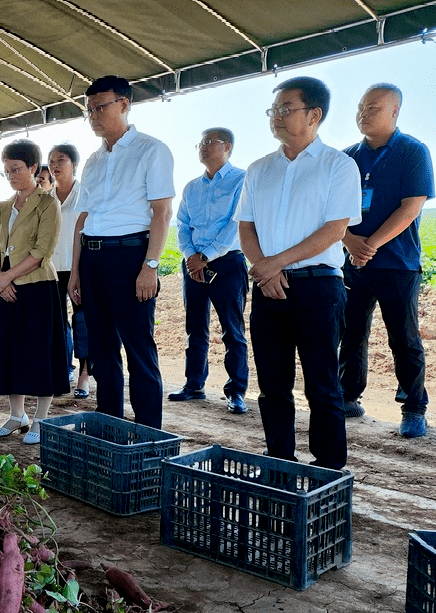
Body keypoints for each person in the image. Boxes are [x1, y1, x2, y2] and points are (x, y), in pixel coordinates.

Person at [236, 76, 361, 471]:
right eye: (273, 109)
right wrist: (266, 270)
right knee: (273, 386)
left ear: (314, 114)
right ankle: (278, 462)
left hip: (317, 289)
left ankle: (327, 470)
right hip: (268, 289)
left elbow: (334, 230)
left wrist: (276, 263)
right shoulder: (259, 169)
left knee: (322, 385)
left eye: (284, 108)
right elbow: (246, 227)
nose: (275, 116)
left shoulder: (338, 166)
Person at [67, 75, 174, 429]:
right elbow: (82, 220)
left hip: (131, 258)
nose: (94, 115)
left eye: (101, 107)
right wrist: (76, 271)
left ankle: (147, 434)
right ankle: (109, 423)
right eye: (89, 109)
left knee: (139, 351)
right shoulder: (94, 161)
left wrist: (151, 266)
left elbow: (161, 213)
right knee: (101, 349)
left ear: (124, 105)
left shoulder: (151, 150)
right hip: (93, 258)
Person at [338, 83, 434, 438]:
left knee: (404, 337)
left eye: (373, 107)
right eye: (361, 106)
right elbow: (332, 211)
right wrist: (349, 240)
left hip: (396, 262)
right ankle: (347, 396)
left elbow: (411, 207)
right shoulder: (346, 157)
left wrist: (371, 244)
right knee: (350, 333)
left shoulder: (413, 151)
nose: (363, 112)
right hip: (352, 261)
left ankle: (413, 408)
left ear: (395, 112)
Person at [0, 140, 69, 444]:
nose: (11, 175)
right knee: (8, 352)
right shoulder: (2, 207)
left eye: (16, 169)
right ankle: (17, 415)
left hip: (37, 288)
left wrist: (5, 278)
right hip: (5, 288)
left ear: (33, 168)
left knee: (38, 353)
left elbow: (42, 250)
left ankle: (42, 419)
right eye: (6, 171)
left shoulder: (48, 203)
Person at [171, 129, 250, 415]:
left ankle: (237, 391)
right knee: (195, 326)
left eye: (209, 142)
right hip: (193, 263)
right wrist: (191, 256)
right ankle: (194, 384)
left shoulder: (241, 179)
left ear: (227, 146)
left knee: (232, 329)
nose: (202, 147)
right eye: (200, 143)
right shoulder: (192, 186)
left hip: (227, 261)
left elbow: (236, 223)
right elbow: (182, 224)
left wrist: (206, 256)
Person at [47, 144, 90, 395]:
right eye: (51, 161)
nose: (55, 166)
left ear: (74, 164)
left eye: (61, 160)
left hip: (80, 268)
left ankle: (84, 375)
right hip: (50, 270)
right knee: (57, 324)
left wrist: (80, 271)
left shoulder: (86, 193)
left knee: (82, 321)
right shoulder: (44, 198)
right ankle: (62, 372)